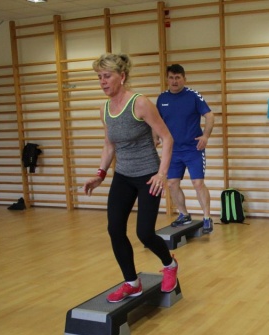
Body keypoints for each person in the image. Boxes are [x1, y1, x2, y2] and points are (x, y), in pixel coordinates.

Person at [83, 53, 179, 302]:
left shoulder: (140, 103)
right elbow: (109, 145)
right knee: (114, 229)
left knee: (144, 233)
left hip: (148, 175)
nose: (102, 82)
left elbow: (167, 137)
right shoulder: (105, 109)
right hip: (123, 175)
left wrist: (161, 174)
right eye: (99, 77)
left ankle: (169, 265)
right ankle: (132, 283)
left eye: (107, 76)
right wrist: (100, 174)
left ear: (122, 76)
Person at [155, 64, 215, 234]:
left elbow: (209, 116)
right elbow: (156, 121)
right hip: (172, 150)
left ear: (184, 79)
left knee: (198, 183)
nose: (174, 81)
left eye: (178, 78)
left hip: (193, 148)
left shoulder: (193, 96)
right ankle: (184, 214)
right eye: (171, 78)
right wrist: (155, 137)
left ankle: (206, 217)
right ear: (167, 79)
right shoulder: (162, 98)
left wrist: (205, 136)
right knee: (172, 183)